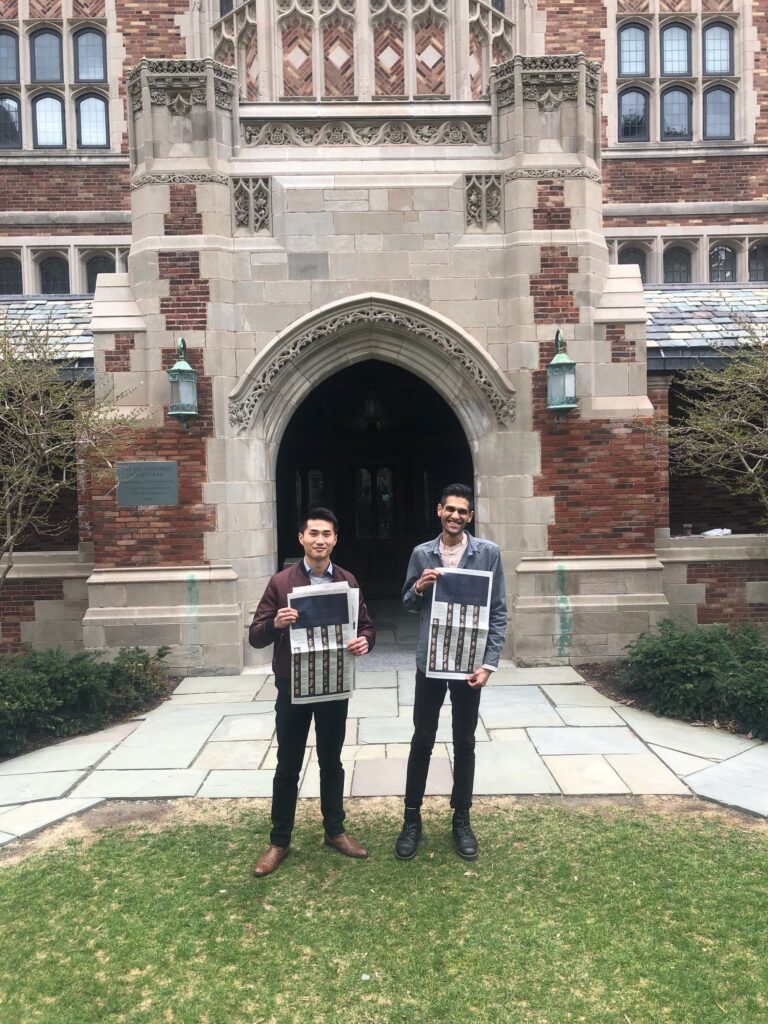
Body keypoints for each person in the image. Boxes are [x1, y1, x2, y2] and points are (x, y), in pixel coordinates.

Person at [249, 507, 375, 878]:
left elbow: (366, 626)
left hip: (334, 684)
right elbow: (256, 636)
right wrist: (275, 623)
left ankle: (335, 831)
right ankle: (279, 842)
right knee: (287, 765)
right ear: (301, 538)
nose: (320, 540)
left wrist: (365, 641)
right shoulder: (281, 582)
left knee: (331, 762)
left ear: (335, 539)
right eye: (313, 533)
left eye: (327, 534)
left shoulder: (348, 581)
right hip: (293, 687)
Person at [395, 483, 507, 862]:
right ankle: (412, 818)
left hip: (468, 663)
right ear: (439, 510)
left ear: (470, 517)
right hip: (431, 661)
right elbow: (407, 603)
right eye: (450, 510)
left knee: (465, 742)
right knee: (422, 739)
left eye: (463, 511)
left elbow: (498, 610)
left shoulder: (487, 554)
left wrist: (489, 663)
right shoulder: (421, 553)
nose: (456, 516)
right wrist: (420, 588)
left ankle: (462, 818)